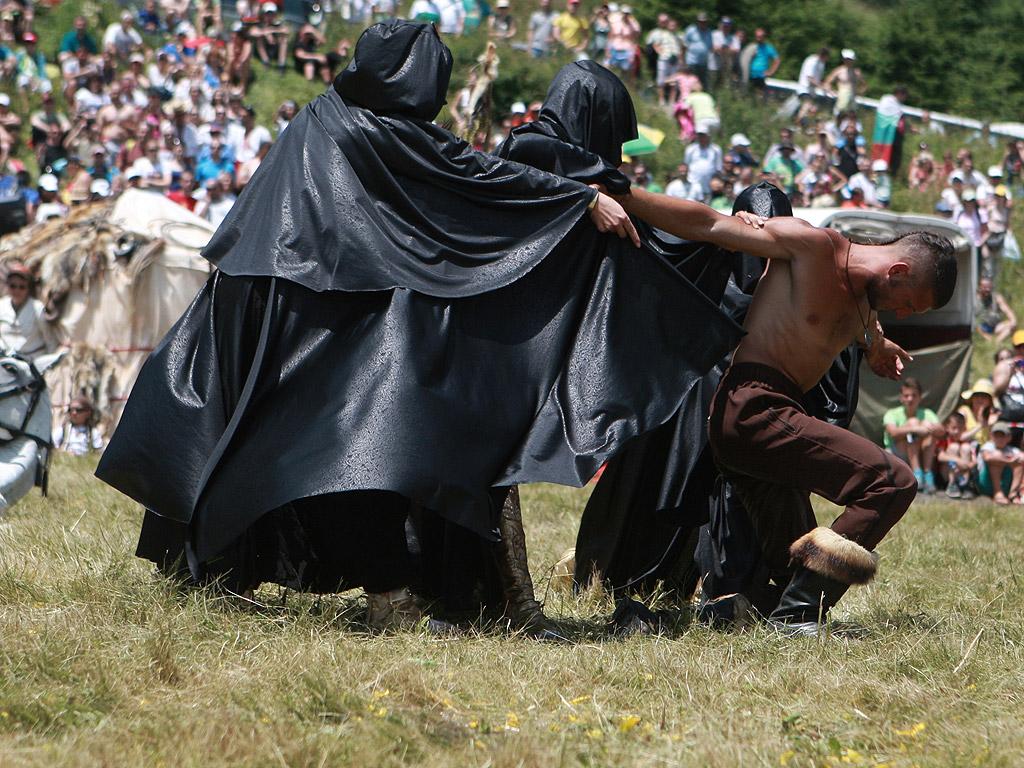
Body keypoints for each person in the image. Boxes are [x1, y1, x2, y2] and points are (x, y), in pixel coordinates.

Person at [97, 22, 739, 634]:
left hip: (254, 292)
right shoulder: (382, 131)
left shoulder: (321, 115)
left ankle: (217, 568)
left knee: (241, 431)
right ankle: (386, 594)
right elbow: (471, 172)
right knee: (347, 446)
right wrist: (581, 198)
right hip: (298, 300)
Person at [610, 188, 957, 634]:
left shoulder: (866, 306)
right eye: (910, 303)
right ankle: (795, 621)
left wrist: (878, 347)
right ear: (898, 270)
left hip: (764, 423)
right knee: (891, 483)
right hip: (752, 405)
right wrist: (620, 191)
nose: (905, 314)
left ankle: (654, 623)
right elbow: (708, 225)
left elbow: (866, 330)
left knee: (793, 572)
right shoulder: (813, 248)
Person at [883, 377, 944, 493]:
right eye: (906, 396)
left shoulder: (927, 413)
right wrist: (915, 429)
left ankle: (927, 474)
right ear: (901, 397)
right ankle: (917, 473)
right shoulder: (892, 414)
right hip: (899, 454)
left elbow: (941, 430)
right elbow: (892, 433)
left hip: (921, 453)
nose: (910, 399)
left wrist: (926, 428)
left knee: (928, 426)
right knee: (913, 423)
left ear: (920, 397)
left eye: (914, 395)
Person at [0, 262, 59, 359]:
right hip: (6, 360)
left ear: (28, 288)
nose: (17, 291)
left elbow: (49, 340)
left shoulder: (37, 308)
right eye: (13, 286)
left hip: (32, 360)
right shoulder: (2, 305)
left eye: (22, 287)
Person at [978, 422, 1024, 504]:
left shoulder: (1012, 450)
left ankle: (1013, 494)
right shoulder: (988, 446)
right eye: (997, 435)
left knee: (1020, 459)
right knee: (996, 455)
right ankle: (997, 492)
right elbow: (987, 457)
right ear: (991, 436)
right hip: (986, 483)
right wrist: (1008, 461)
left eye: (1002, 436)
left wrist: (1014, 459)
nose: (999, 438)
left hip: (1006, 484)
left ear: (1009, 438)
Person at [936, 411, 975, 499]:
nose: (956, 431)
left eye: (960, 428)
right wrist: (958, 460)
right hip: (946, 472)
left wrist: (968, 465)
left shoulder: (966, 441)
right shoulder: (944, 440)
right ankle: (952, 484)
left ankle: (965, 484)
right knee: (954, 447)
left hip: (962, 472)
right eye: (954, 428)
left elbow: (974, 460)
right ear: (947, 427)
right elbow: (940, 457)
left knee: (965, 448)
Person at [959, 378, 999, 447]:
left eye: (984, 396)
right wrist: (980, 425)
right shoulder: (964, 412)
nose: (979, 399)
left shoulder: (992, 415)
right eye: (977, 396)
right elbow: (960, 437)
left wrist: (991, 424)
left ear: (990, 401)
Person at [975, 277, 1016, 342]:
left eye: (989, 287)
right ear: (979, 287)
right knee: (976, 328)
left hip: (996, 327)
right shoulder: (975, 301)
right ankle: (990, 340)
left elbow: (1007, 310)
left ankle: (997, 341)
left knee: (1011, 325)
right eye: (985, 287)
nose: (987, 289)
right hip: (982, 328)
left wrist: (1013, 320)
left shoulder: (996, 298)